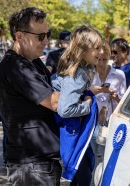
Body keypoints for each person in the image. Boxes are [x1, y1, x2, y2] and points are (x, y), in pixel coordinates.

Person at [0, 7, 62, 186]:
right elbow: (55, 102)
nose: (47, 41)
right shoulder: (15, 66)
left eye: (48, 34)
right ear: (20, 37)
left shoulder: (33, 62)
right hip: (31, 166)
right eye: (40, 36)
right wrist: (85, 99)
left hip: (40, 163)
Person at [51, 25, 103, 185]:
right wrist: (87, 104)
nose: (101, 53)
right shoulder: (78, 74)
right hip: (74, 137)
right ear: (83, 49)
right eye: (97, 48)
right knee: (82, 175)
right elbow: (66, 109)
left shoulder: (77, 69)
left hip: (73, 134)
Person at [90, 43, 127, 176]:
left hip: (110, 121)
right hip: (92, 120)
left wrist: (116, 96)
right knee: (94, 156)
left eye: (104, 59)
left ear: (109, 58)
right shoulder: (89, 73)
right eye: (98, 59)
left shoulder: (119, 74)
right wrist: (93, 91)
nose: (100, 63)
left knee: (105, 154)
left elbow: (124, 101)